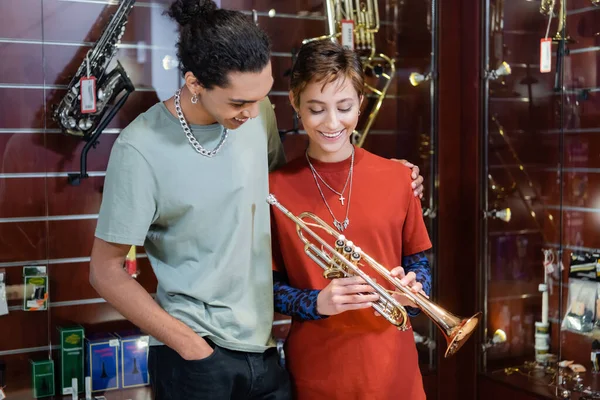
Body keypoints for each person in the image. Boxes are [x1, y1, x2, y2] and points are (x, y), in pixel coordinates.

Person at [89, 0, 424, 399]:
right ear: (195, 83)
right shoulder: (139, 148)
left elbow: (291, 200)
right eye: (238, 102)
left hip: (267, 353)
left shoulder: (257, 112)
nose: (253, 112)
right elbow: (104, 271)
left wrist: (394, 178)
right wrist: (190, 346)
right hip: (195, 357)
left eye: (261, 96)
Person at [269, 39, 433, 400]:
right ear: (294, 102)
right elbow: (267, 288)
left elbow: (420, 264)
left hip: (395, 369)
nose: (331, 123)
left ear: (361, 103)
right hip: (318, 372)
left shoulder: (399, 177)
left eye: (344, 107)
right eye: (316, 109)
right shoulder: (274, 188)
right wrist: (316, 303)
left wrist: (415, 288)